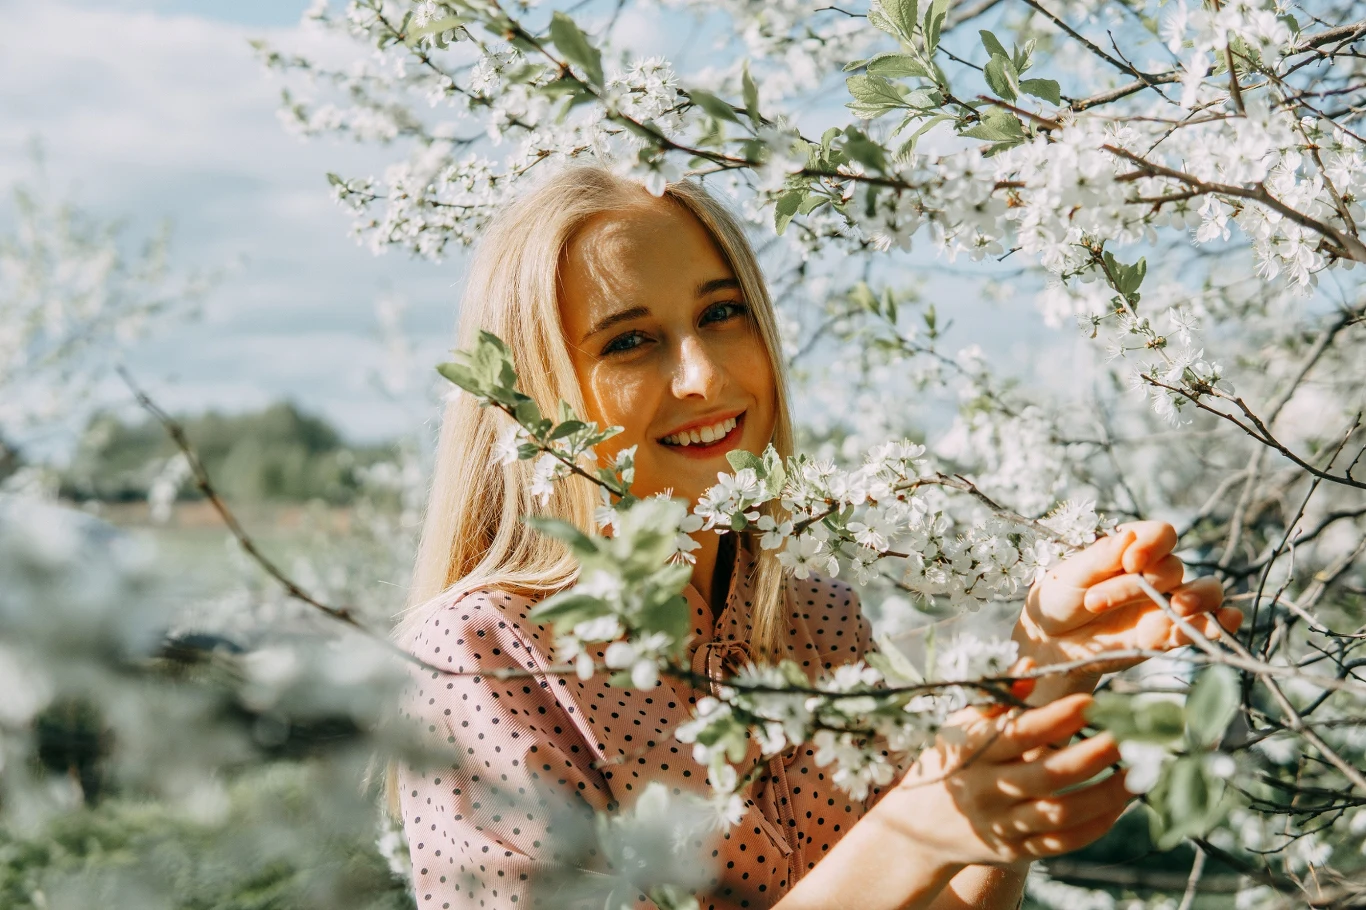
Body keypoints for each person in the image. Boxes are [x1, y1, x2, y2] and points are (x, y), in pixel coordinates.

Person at [389, 163, 1242, 910]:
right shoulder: (477, 659)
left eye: (722, 313)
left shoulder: (817, 621)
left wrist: (1039, 677)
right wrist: (913, 831)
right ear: (534, 399)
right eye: (632, 341)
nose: (707, 375)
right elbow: (902, 854)